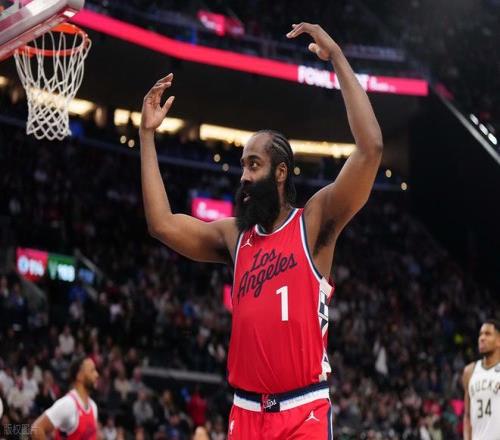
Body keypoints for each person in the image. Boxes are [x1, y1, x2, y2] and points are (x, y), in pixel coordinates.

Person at [140, 22, 382, 439]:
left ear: (281, 172)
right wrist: (146, 135)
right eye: (242, 166)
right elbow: (161, 224)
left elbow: (371, 148)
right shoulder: (234, 237)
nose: (244, 177)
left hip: (303, 409)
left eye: (254, 165)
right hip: (246, 412)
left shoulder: (313, 222)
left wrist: (338, 58)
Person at [31, 357, 100, 440]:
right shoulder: (68, 404)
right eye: (92, 370)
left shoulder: (93, 406)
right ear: (79, 376)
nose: (97, 375)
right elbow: (36, 429)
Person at [462, 319, 500, 440]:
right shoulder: (469, 371)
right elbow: (467, 415)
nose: (482, 338)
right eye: (480, 334)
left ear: (498, 341)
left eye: (488, 334)